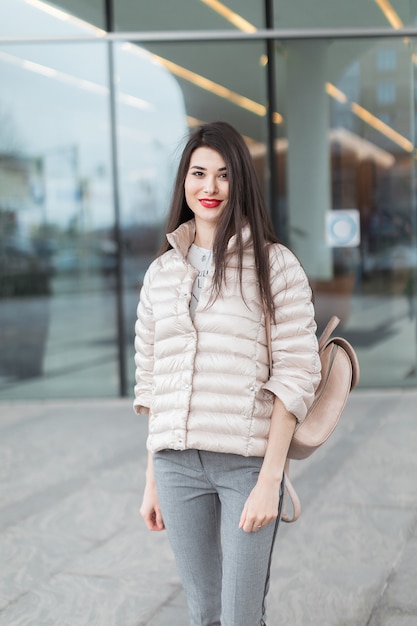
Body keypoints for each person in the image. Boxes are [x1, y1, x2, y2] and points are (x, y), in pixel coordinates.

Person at [134, 121, 321, 626]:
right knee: (204, 613)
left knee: (240, 615)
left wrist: (271, 479)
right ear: (184, 182)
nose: (210, 188)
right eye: (199, 173)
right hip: (176, 465)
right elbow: (153, 380)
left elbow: (297, 374)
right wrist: (152, 479)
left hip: (247, 465)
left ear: (240, 182)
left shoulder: (275, 265)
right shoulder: (160, 273)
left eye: (222, 175)